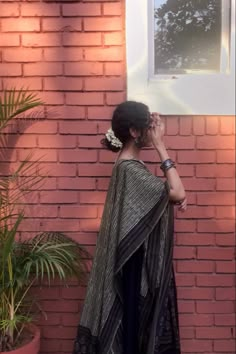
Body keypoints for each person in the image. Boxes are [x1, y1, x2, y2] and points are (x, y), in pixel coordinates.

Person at [72, 101, 187, 354]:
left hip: (131, 258)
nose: (152, 131)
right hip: (132, 261)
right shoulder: (130, 169)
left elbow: (168, 194)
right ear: (135, 132)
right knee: (131, 330)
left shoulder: (127, 166)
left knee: (131, 328)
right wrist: (161, 146)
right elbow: (177, 191)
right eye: (148, 126)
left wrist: (169, 197)